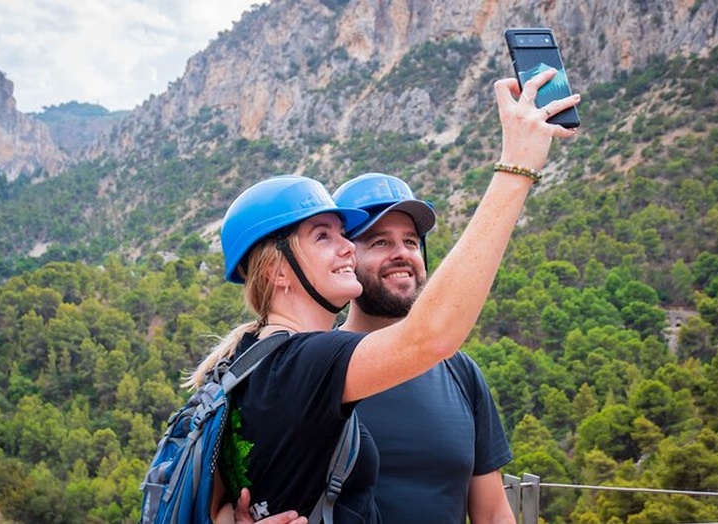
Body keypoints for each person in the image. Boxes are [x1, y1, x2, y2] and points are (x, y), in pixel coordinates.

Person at [188, 68, 579, 523]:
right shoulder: (307, 361)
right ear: (277, 269)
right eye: (326, 237)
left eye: (411, 241)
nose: (347, 248)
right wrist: (517, 166)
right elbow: (430, 335)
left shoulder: (252, 361)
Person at [332, 172, 515, 524]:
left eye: (411, 242)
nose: (402, 254)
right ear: (345, 258)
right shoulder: (321, 364)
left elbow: (492, 512)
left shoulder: (460, 371)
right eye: (380, 242)